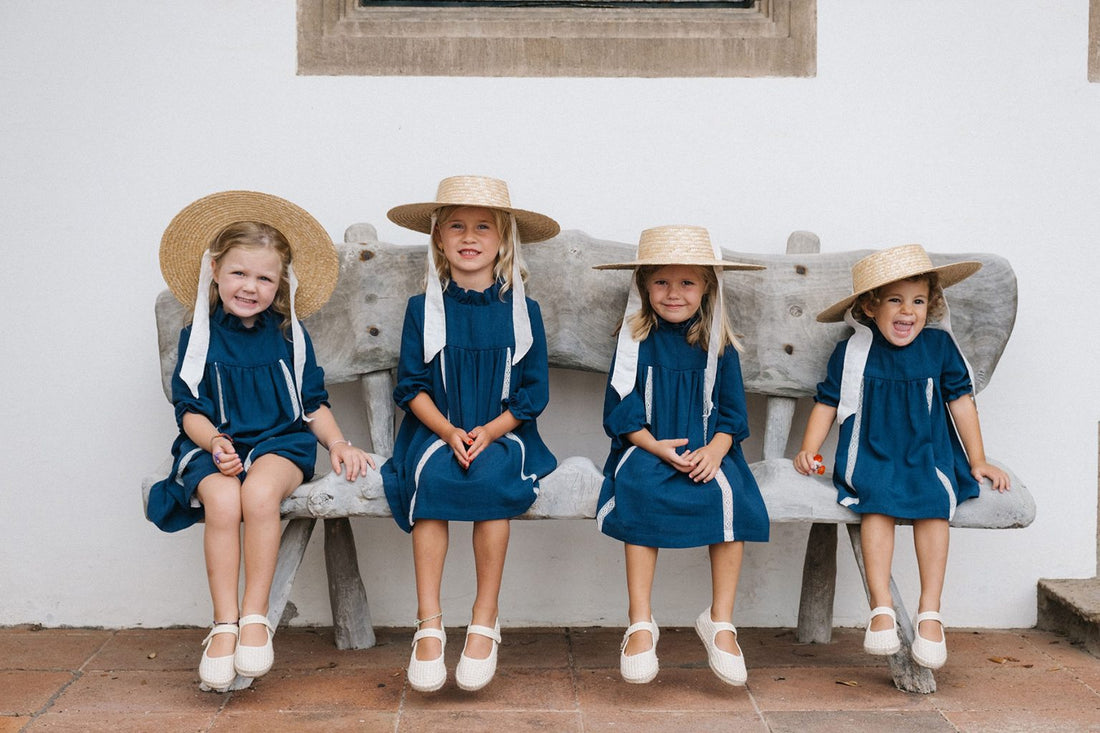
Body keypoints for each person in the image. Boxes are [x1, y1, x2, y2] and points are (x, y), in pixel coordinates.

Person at [147, 191, 375, 692]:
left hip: (280, 443)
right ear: (214, 270)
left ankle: (255, 617)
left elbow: (311, 402)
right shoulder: (198, 337)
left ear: (282, 284)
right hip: (214, 445)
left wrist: (337, 443)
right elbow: (189, 410)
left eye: (264, 278)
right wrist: (214, 443)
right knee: (225, 501)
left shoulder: (290, 335)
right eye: (239, 274)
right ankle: (224, 624)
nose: (250, 287)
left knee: (257, 494)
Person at [793, 243, 1010, 670]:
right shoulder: (853, 351)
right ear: (870, 306)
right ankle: (882, 607)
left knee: (934, 505)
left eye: (918, 301)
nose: (907, 311)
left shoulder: (938, 347)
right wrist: (809, 448)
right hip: (872, 449)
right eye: (895, 300)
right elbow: (828, 402)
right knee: (876, 501)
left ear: (931, 306)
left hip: (926, 450)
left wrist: (978, 458)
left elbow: (961, 401)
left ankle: (930, 612)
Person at [381, 175, 559, 693]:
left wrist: (489, 430)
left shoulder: (525, 313)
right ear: (438, 238)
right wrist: (449, 430)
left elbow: (532, 393)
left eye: (483, 227)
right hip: (433, 429)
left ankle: (485, 618)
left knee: (489, 481)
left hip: (505, 432)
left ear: (504, 240)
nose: (469, 236)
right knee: (434, 482)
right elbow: (411, 386)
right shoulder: (423, 310)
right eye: (456, 226)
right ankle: (429, 623)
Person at [593, 225, 769, 686]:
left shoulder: (718, 344)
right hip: (647, 447)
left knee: (729, 497)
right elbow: (622, 411)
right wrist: (654, 446)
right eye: (662, 282)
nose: (674, 293)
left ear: (707, 286)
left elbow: (733, 413)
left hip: (709, 448)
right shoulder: (633, 342)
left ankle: (721, 621)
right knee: (640, 490)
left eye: (687, 282)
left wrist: (715, 449)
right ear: (644, 286)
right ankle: (640, 622)